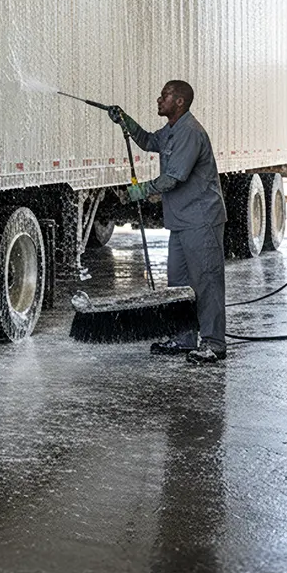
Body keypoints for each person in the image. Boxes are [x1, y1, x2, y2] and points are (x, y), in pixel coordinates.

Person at [108, 79, 227, 364]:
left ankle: (214, 343)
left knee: (206, 282)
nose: (159, 99)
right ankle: (184, 338)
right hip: (180, 221)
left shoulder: (190, 132)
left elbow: (174, 177)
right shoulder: (172, 129)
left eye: (165, 96)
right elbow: (149, 141)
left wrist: (141, 190)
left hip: (201, 220)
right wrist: (126, 121)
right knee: (178, 283)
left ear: (179, 102)